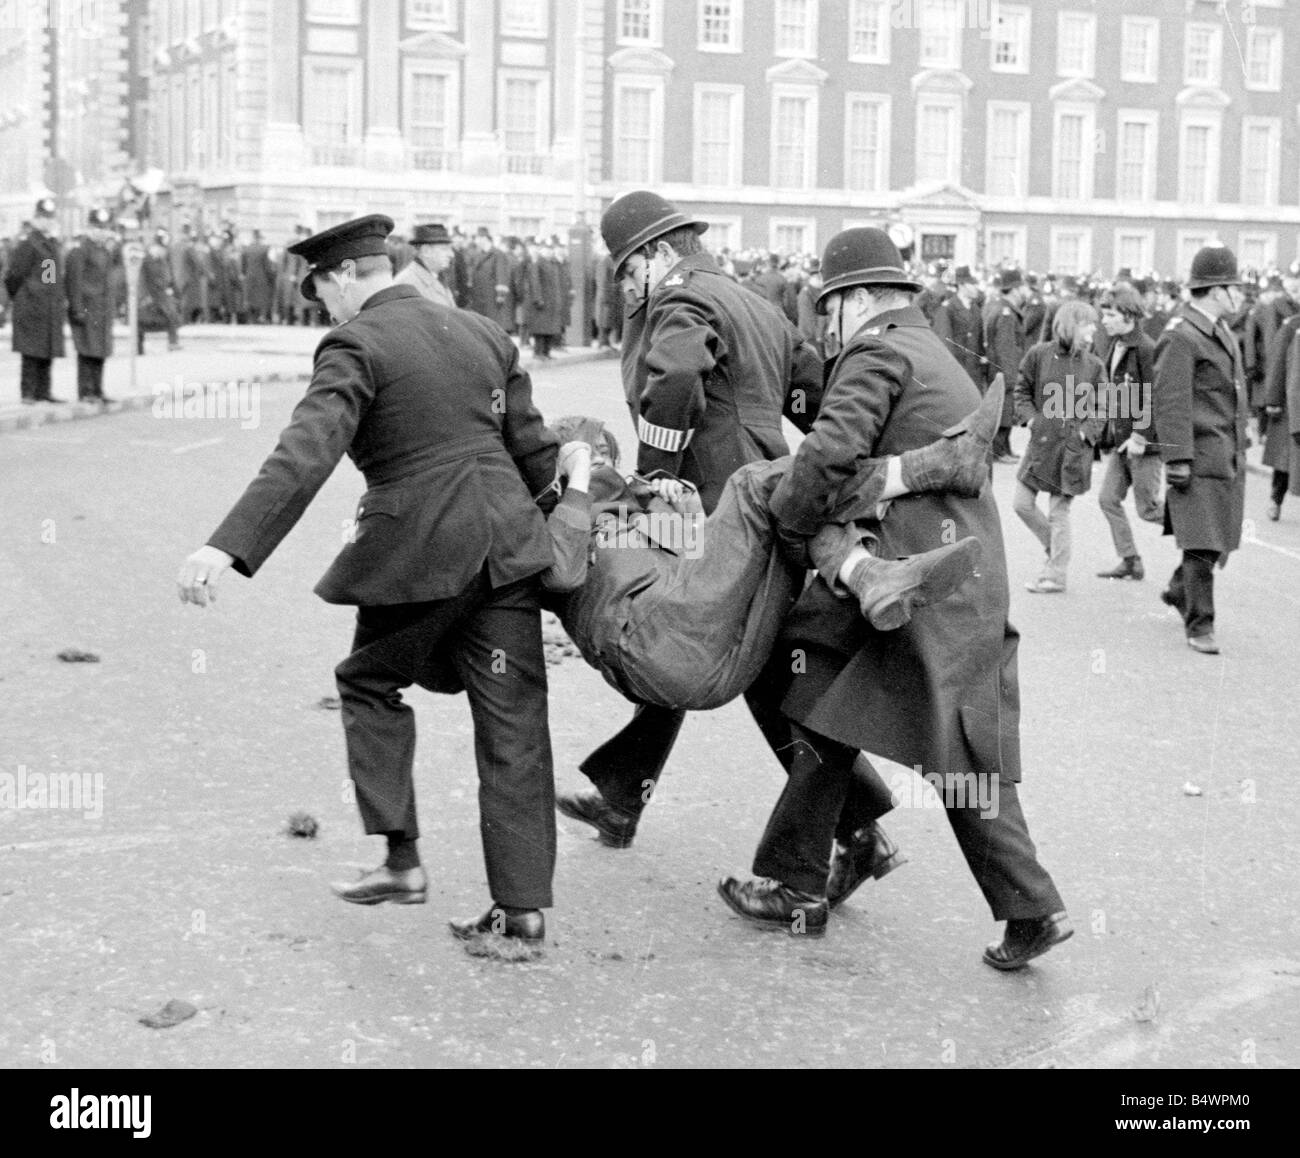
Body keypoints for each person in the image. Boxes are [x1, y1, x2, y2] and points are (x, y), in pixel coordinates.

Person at [175, 215, 561, 950]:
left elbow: (305, 451)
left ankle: (401, 859)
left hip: (423, 550)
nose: (321, 307)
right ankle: (522, 908)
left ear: (346, 275)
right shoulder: (481, 332)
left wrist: (226, 546)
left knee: (365, 681)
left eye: (320, 290)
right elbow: (534, 449)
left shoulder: (355, 342)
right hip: (509, 546)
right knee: (514, 722)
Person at [719, 227, 1071, 969]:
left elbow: (822, 459)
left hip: (906, 572)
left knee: (831, 704)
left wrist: (789, 520)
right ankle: (1029, 908)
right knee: (903, 730)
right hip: (960, 571)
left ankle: (801, 887)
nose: (826, 328)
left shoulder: (875, 351)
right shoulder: (931, 347)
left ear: (853, 301)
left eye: (828, 309)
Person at [554, 190, 824, 852]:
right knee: (689, 640)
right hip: (762, 489)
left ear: (657, 253)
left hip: (710, 501)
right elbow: (813, 396)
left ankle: (857, 826)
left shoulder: (681, 299)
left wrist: (655, 473)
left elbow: (675, 375)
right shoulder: (754, 303)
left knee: (741, 662)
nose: (624, 287)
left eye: (625, 271)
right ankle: (623, 796)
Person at [1153, 247, 1250, 655]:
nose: (1241, 297)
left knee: (1213, 539)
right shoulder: (1181, 334)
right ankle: (1200, 625)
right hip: (1197, 455)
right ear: (1216, 291)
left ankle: (1179, 590)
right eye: (1235, 289)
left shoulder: (1218, 330)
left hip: (1223, 452)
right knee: (1202, 542)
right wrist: (1176, 459)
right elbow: (1170, 401)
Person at [1011, 300, 1106, 594]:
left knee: (1058, 512)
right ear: (1071, 325)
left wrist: (1085, 435)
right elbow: (1022, 389)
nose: (1093, 330)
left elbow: (1103, 407)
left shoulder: (1094, 365)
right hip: (1041, 445)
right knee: (1022, 504)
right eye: (1087, 324)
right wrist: (1030, 420)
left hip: (1072, 451)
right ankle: (1056, 550)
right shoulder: (1038, 354)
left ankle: (1055, 574)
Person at [1095, 285, 1162, 579]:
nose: (1104, 320)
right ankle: (1131, 559)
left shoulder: (1146, 348)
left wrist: (1139, 436)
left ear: (1128, 314)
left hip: (1142, 443)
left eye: (1110, 314)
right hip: (1123, 441)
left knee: (1147, 509)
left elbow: (1153, 397)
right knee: (1108, 499)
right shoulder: (1117, 343)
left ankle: (1202, 534)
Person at [4, 198, 67, 403]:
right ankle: (28, 392)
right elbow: (14, 276)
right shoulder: (29, 244)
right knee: (31, 351)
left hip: (48, 306)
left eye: (50, 218)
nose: (47, 222)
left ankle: (44, 391)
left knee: (46, 348)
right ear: (35, 219)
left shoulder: (50, 244)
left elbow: (51, 276)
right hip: (31, 305)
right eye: (42, 218)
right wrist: (22, 297)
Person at [64, 207, 119, 404]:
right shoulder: (80, 251)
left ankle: (97, 389)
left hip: (102, 309)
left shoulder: (104, 251)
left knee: (100, 350)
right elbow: (74, 281)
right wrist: (77, 308)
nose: (100, 232)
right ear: (88, 229)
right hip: (86, 308)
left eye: (103, 228)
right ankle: (85, 391)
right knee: (87, 350)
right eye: (96, 228)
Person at [984, 267, 1030, 462]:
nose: (1025, 291)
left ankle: (1005, 448)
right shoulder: (1006, 313)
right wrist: (1013, 376)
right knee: (1005, 409)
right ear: (1014, 289)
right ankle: (999, 450)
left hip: (1002, 369)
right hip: (1005, 370)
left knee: (1008, 410)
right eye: (1021, 287)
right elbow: (1006, 348)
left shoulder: (1002, 308)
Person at [1262, 295, 1300, 521]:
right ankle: (1276, 499)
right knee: (1284, 462)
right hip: (1290, 404)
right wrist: (1273, 400)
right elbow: (1277, 364)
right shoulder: (1292, 326)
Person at [932, 264, 987, 390]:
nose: (976, 288)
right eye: (972, 285)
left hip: (974, 371)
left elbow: (979, 341)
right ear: (961, 285)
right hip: (957, 370)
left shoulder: (975, 309)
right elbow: (945, 342)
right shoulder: (948, 308)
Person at [393, 222, 456, 308]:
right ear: (426, 251)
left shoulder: (438, 276)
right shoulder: (406, 284)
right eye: (444, 249)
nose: (451, 254)